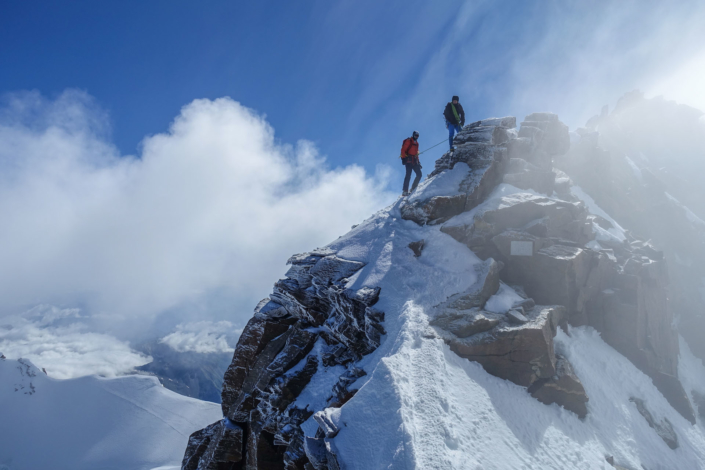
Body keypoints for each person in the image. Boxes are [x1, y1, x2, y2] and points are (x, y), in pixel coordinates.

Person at [400, 131, 422, 196]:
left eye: (417, 136)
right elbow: (403, 150)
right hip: (408, 160)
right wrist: (403, 158)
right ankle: (405, 191)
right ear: (413, 135)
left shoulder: (417, 144)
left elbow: (416, 154)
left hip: (414, 161)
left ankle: (413, 188)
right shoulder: (408, 141)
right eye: (415, 135)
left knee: (419, 174)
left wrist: (418, 162)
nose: (416, 137)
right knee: (408, 175)